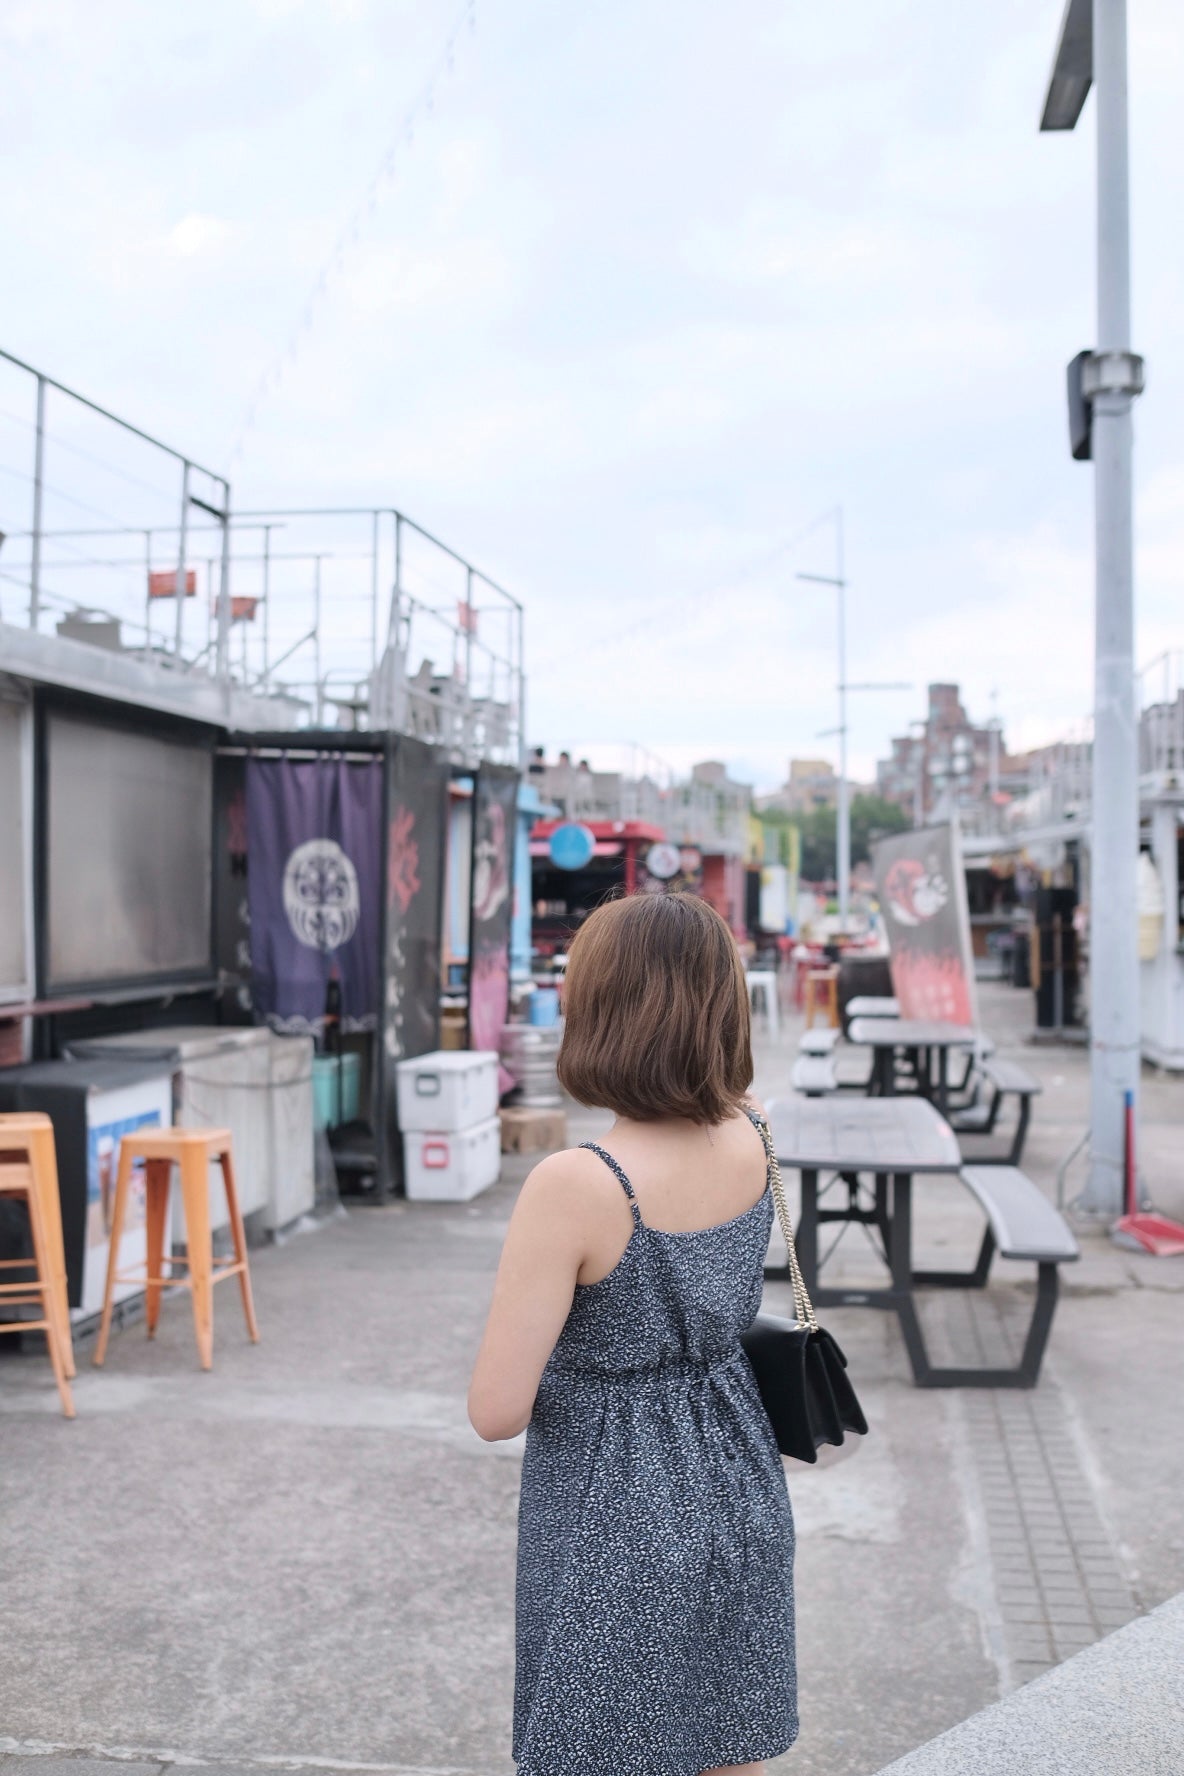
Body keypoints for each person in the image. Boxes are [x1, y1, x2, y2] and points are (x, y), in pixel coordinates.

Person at [469, 892, 797, 1776]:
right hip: (742, 1490)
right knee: (731, 1747)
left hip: (611, 1528)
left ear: (598, 1012)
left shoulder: (579, 1182)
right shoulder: (756, 1136)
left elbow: (495, 1409)